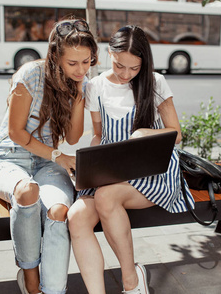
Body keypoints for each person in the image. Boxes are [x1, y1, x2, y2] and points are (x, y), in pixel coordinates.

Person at [67, 25, 195, 294]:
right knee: (76, 216)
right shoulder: (96, 86)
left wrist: (141, 133)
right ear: (108, 54)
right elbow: (99, 135)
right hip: (111, 173)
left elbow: (177, 134)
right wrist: (92, 164)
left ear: (143, 63)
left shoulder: (156, 81)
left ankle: (131, 282)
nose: (126, 74)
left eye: (134, 68)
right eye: (119, 65)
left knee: (105, 197)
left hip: (153, 171)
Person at [0, 19, 98, 294]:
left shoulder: (79, 82)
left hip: (48, 162)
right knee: (27, 192)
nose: (81, 69)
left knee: (60, 212)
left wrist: (80, 95)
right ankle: (32, 282)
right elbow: (15, 132)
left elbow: (73, 138)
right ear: (55, 56)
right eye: (73, 63)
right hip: (11, 157)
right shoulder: (30, 75)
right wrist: (57, 156)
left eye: (86, 62)